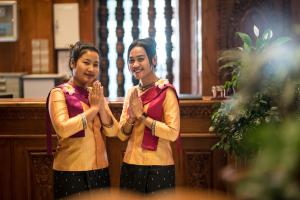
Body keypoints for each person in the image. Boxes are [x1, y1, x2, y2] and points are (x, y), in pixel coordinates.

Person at [46, 41, 119, 199]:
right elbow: (63, 129)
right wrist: (93, 110)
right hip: (70, 171)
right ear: (73, 63)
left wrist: (99, 106)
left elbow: (114, 131)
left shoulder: (95, 93)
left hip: (100, 170)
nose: (91, 69)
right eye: (86, 63)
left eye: (96, 64)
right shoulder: (59, 93)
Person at [118, 37, 180, 194]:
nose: (135, 65)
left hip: (159, 165)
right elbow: (122, 135)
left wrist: (142, 117)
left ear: (153, 60)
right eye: (131, 60)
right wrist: (132, 118)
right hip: (131, 163)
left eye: (140, 59)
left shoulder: (166, 91)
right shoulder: (132, 93)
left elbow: (173, 133)